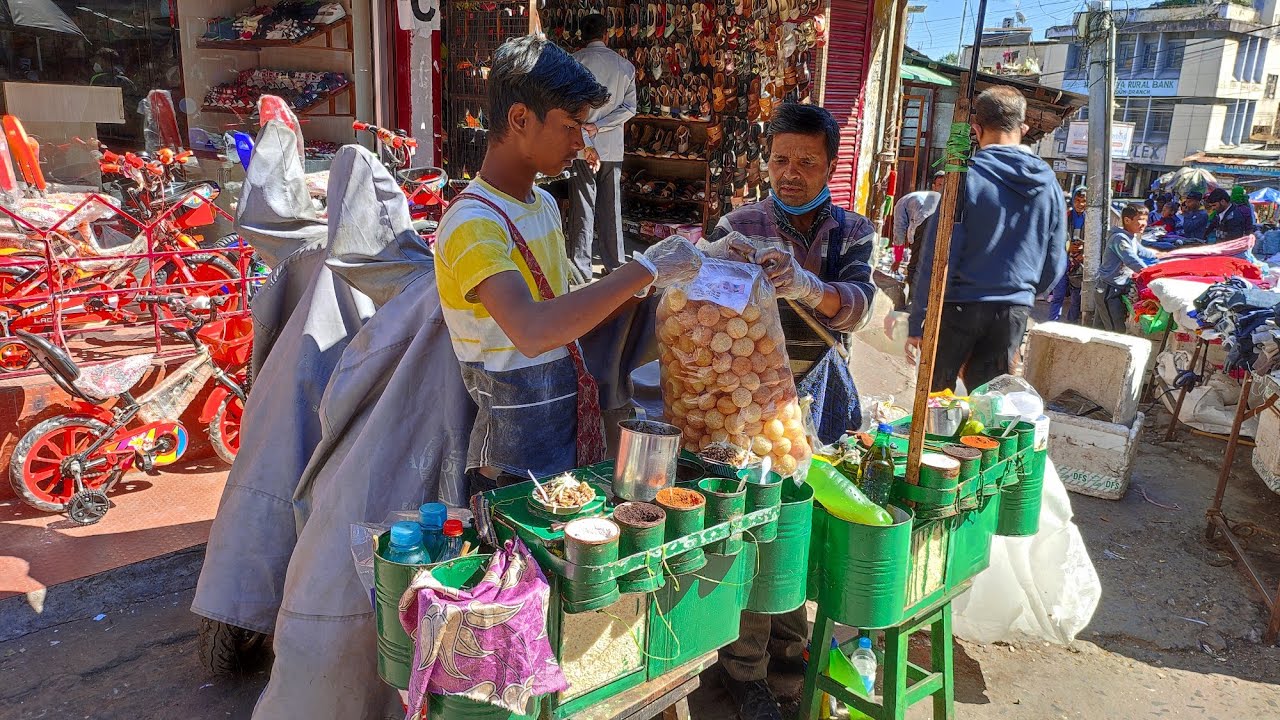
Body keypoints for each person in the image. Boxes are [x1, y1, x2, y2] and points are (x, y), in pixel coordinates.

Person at [432, 35, 700, 493]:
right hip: (509, 464)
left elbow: (567, 313)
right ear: (520, 118)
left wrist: (649, 291)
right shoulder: (472, 224)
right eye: (571, 124)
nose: (581, 140)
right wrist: (643, 269)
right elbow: (534, 331)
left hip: (563, 430)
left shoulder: (541, 204)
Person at [703, 102, 876, 720]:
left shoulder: (853, 231)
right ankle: (743, 668)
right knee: (755, 526)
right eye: (780, 160)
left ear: (831, 165)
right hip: (749, 401)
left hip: (821, 396)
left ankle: (792, 655)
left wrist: (806, 285)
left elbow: (859, 306)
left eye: (807, 162)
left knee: (799, 532)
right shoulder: (740, 223)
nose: (791, 173)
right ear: (766, 161)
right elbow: (707, 304)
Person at [906, 86, 1066, 392]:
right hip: (1012, 310)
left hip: (957, 307)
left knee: (938, 400)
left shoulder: (965, 178)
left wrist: (919, 320)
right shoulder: (1049, 184)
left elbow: (938, 254)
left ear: (976, 130)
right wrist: (1025, 292)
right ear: (1024, 128)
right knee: (991, 407)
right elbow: (1055, 257)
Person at [566, 13, 637, 280]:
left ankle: (581, 269)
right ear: (606, 35)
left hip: (581, 145)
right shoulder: (624, 67)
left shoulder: (574, 63)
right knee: (611, 206)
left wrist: (589, 131)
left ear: (583, 36)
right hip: (611, 147)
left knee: (583, 205)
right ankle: (615, 264)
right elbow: (630, 108)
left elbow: (568, 108)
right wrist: (603, 125)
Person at [1097, 202, 1158, 333]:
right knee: (1115, 331)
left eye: (1146, 220)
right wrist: (1151, 275)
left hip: (1116, 289)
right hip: (1110, 290)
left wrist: (1164, 260)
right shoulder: (1120, 238)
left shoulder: (1131, 238)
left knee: (1102, 328)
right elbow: (1132, 260)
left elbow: (1146, 254)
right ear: (1127, 220)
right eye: (1140, 220)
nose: (1144, 224)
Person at [892, 170, 943, 277]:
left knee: (915, 266)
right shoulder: (909, 201)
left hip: (925, 223)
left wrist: (897, 260)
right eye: (940, 185)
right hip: (925, 223)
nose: (942, 188)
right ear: (933, 187)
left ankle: (913, 288)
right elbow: (900, 230)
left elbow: (899, 232)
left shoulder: (903, 202)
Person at [1048, 186, 1086, 323]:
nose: (1080, 204)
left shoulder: (1091, 219)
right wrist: (1069, 248)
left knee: (1076, 298)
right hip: (1063, 260)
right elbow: (1057, 237)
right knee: (1058, 295)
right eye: (1077, 200)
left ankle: (1071, 325)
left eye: (1084, 201)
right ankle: (1052, 324)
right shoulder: (1066, 216)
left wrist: (1083, 249)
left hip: (1080, 262)